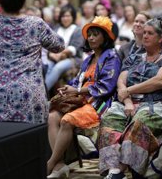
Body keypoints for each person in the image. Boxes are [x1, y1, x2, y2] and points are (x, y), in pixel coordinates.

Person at [98, 18, 162, 179]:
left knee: (139, 123)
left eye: (150, 33)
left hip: (156, 104)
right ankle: (113, 170)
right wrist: (128, 101)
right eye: (144, 32)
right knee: (109, 119)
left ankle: (125, 170)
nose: (145, 36)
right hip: (128, 102)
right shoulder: (134, 57)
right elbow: (121, 81)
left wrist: (129, 90)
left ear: (160, 38)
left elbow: (160, 81)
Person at [47, 16, 121, 178]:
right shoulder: (88, 59)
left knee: (66, 120)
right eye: (90, 35)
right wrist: (67, 89)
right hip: (81, 102)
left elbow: (106, 87)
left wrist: (78, 91)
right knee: (52, 116)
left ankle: (50, 163)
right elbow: (78, 81)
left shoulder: (112, 57)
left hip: (99, 104)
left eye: (96, 34)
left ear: (105, 37)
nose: (91, 37)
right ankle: (59, 165)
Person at [45, 5, 83, 92]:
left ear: (72, 17)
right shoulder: (56, 28)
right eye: (63, 16)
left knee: (58, 67)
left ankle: (42, 92)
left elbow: (74, 49)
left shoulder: (77, 30)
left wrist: (61, 54)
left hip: (72, 58)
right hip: (54, 56)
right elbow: (49, 44)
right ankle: (45, 93)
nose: (65, 18)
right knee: (46, 65)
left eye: (68, 16)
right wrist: (51, 54)